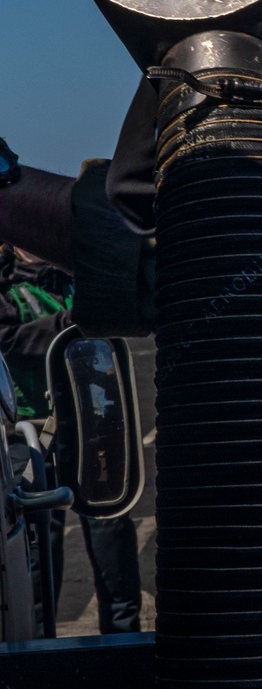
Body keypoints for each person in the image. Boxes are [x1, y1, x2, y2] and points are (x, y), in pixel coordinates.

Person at [1, 241, 144, 635]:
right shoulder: (6, 285)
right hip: (29, 437)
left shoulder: (76, 279)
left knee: (112, 536)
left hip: (91, 431)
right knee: (34, 550)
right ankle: (36, 650)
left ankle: (123, 643)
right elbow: (9, 341)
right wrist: (68, 323)